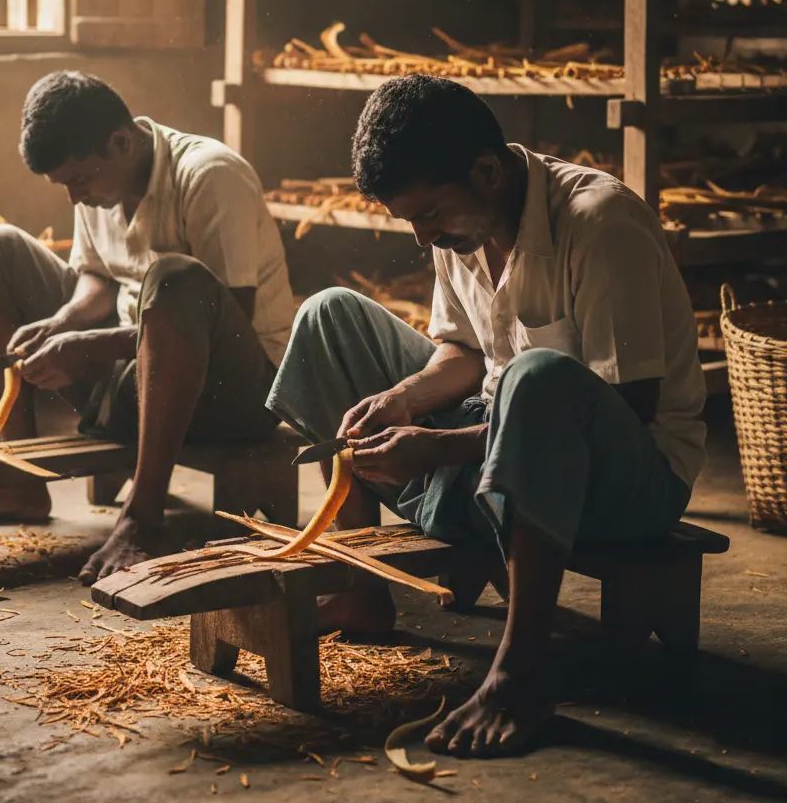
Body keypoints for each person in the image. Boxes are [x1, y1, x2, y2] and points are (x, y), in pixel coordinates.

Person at [266, 74, 705, 757]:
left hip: (628, 477)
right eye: (412, 221)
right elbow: (464, 352)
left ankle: (520, 675)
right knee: (329, 315)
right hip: (499, 431)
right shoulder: (460, 230)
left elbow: (628, 404)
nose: (423, 238)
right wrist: (405, 398)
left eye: (430, 215)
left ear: (488, 172)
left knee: (537, 377)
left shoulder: (600, 223)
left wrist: (438, 449)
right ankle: (361, 590)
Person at [0, 71, 295, 583]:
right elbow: (98, 277)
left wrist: (88, 348)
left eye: (79, 180)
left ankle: (143, 517)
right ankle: (20, 481)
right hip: (133, 376)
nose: (74, 198)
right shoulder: (100, 186)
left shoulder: (209, 175)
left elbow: (228, 317)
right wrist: (61, 325)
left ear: (121, 142)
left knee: (175, 276)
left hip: (234, 390)